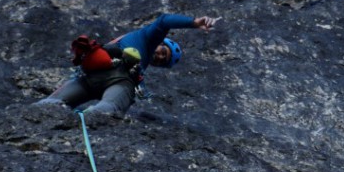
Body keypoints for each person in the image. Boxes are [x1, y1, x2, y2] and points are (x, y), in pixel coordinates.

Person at [38, 13, 219, 116]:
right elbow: (164, 21)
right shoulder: (148, 37)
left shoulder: (143, 58)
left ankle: (86, 118)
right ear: (161, 42)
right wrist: (193, 23)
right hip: (99, 75)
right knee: (50, 104)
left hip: (115, 79)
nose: (159, 56)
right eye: (163, 51)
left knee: (105, 109)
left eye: (162, 60)